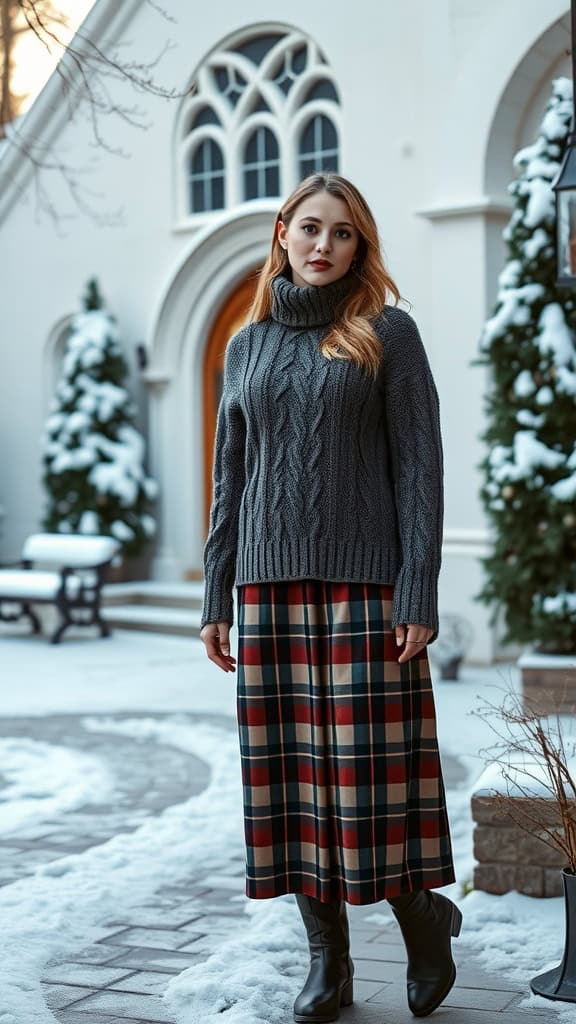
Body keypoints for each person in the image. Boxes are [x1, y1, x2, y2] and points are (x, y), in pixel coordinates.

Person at [200, 172, 460, 1023]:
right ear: (281, 232)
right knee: (291, 786)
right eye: (309, 228)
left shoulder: (387, 333)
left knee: (367, 783)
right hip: (266, 591)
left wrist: (417, 585)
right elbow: (229, 481)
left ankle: (422, 920)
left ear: (360, 246)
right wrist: (216, 591)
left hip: (366, 589)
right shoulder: (246, 347)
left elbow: (420, 467)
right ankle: (329, 963)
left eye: (342, 234)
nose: (323, 245)